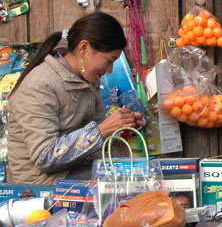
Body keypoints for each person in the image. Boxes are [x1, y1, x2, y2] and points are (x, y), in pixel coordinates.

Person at [5, 13, 146, 184]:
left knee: (141, 173)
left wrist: (121, 127)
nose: (109, 70)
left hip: (74, 171)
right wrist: (101, 131)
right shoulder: (40, 86)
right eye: (109, 60)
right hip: (42, 185)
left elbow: (90, 139)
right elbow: (45, 157)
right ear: (84, 48)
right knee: (126, 181)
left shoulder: (85, 78)